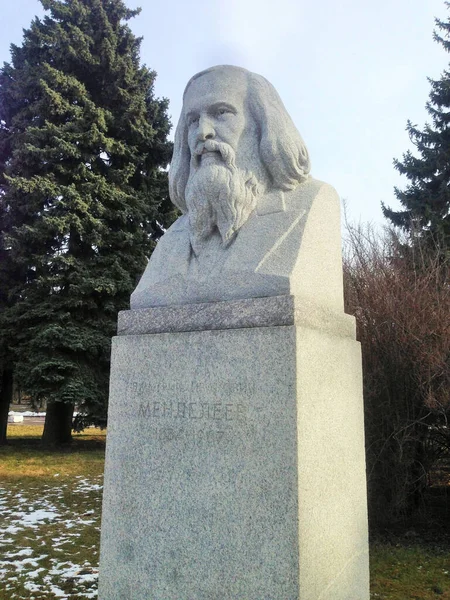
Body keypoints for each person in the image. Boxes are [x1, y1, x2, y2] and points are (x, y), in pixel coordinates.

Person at [131, 65, 343, 310]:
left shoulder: (312, 203)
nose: (202, 132)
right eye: (193, 121)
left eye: (221, 112)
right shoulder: (172, 239)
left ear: (263, 125)